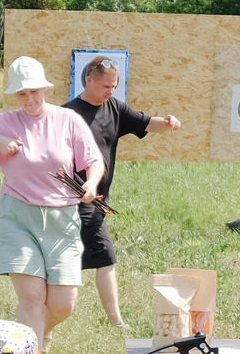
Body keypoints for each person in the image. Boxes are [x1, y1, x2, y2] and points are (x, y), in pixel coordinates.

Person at [0, 55, 105, 345]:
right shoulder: (6, 122)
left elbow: (93, 160)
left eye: (33, 90)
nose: (29, 98)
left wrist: (90, 182)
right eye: (21, 93)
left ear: (44, 89)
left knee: (64, 302)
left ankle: (31, 335)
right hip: (17, 218)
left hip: (62, 220)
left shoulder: (68, 120)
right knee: (32, 297)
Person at [63, 56, 182, 328]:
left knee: (72, 260)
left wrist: (167, 122)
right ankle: (115, 322)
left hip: (100, 199)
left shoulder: (114, 108)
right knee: (105, 254)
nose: (110, 91)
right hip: (74, 198)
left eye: (114, 86)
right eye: (105, 85)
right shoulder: (67, 114)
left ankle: (58, 309)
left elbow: (146, 123)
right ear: (88, 80)